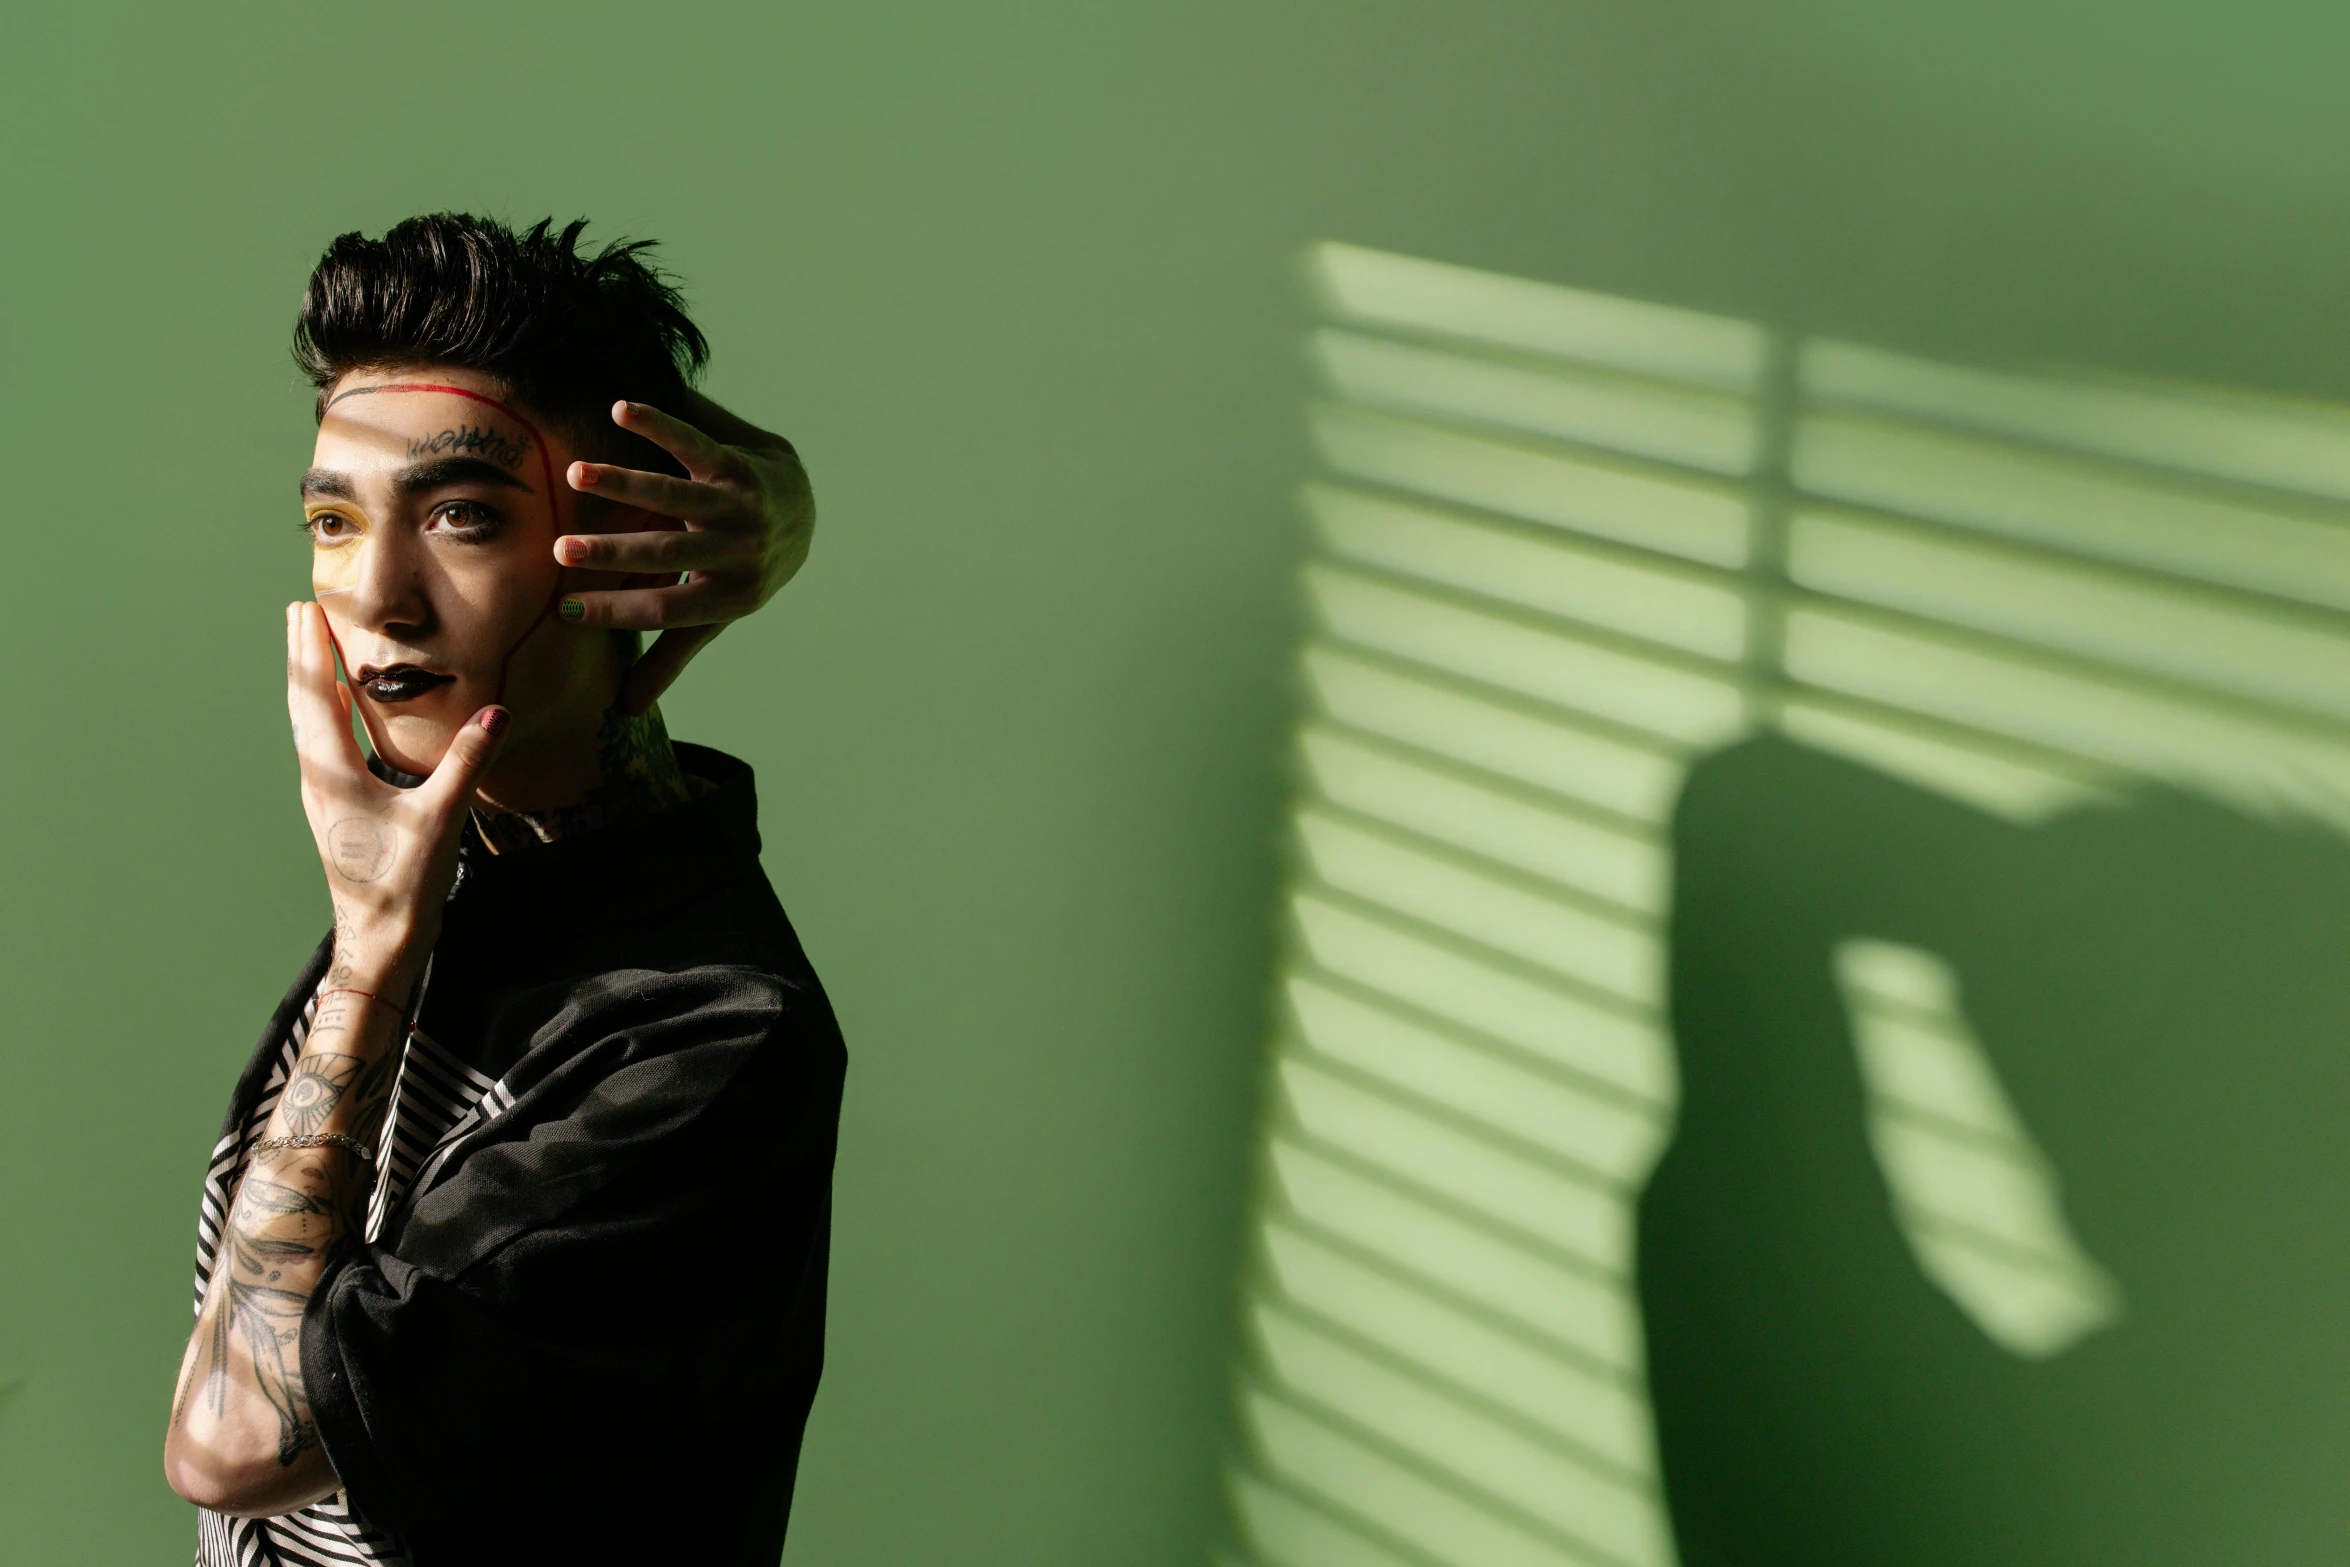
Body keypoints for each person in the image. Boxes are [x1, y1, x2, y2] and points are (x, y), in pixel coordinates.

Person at [161, 214, 846, 1566]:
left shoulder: (701, 1035)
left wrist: (367, 958)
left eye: (462, 514)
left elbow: (230, 1445)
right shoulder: (456, 870)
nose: (377, 596)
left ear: (640, 541)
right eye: (332, 517)